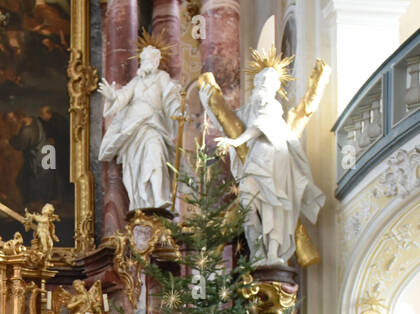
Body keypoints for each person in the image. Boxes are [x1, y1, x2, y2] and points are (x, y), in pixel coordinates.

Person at [206, 50, 325, 268]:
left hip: (274, 162)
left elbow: (256, 129)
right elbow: (223, 117)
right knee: (247, 204)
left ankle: (272, 253)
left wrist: (235, 142)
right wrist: (208, 100)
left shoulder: (273, 107)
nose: (262, 84)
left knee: (273, 208)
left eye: (267, 81)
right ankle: (258, 251)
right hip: (255, 163)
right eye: (260, 80)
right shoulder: (247, 111)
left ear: (274, 87)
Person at [98, 40, 181, 213]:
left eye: (147, 59)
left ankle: (158, 198)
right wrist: (112, 96)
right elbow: (122, 97)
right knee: (134, 168)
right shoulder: (136, 81)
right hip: (132, 130)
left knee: (156, 154)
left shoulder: (162, 78)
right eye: (142, 59)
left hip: (153, 126)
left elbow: (171, 98)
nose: (143, 63)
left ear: (156, 61)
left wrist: (177, 112)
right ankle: (140, 201)